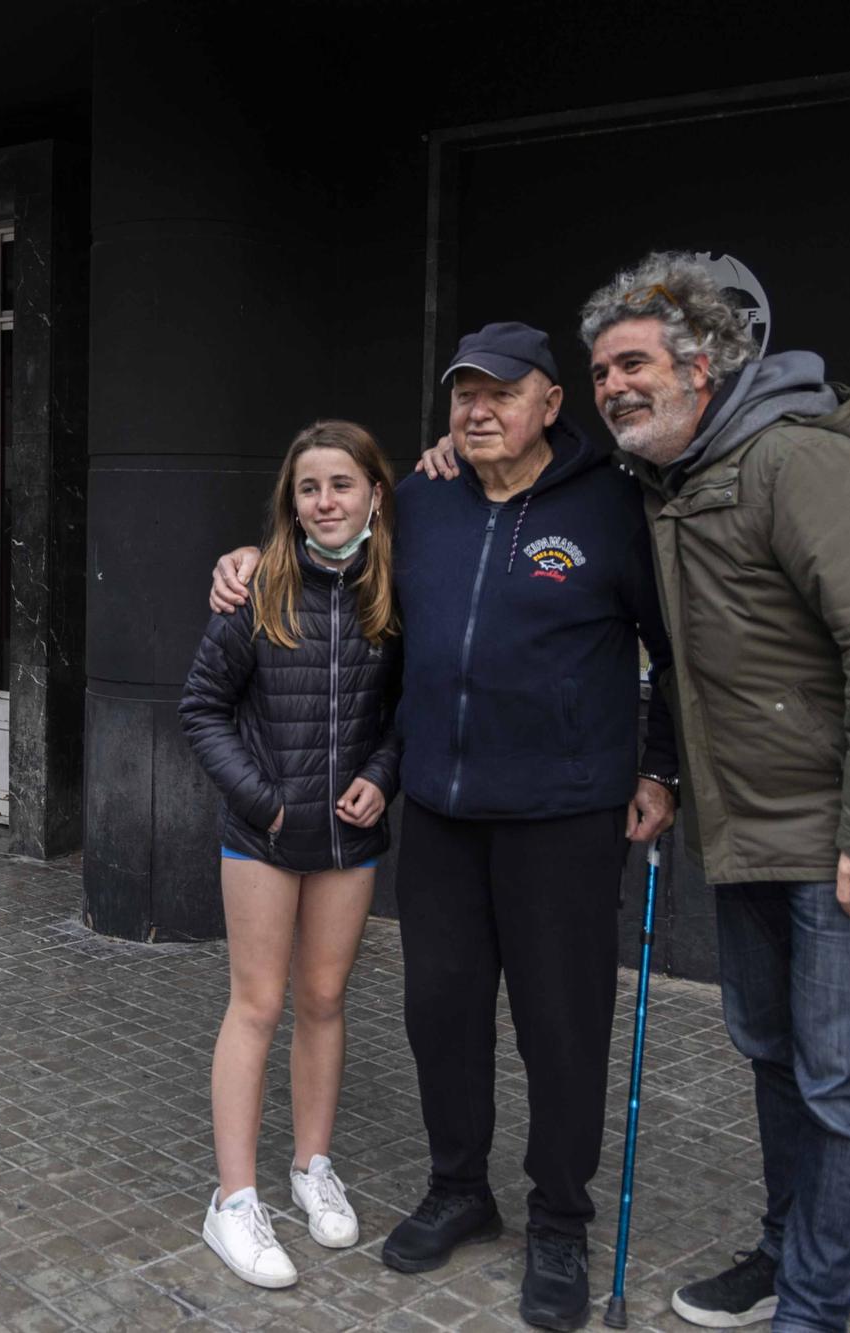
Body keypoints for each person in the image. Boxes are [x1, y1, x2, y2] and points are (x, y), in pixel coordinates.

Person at [421, 256, 850, 1332]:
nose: (612, 385)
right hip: (747, 826)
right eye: (599, 369)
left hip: (845, 834)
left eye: (633, 362)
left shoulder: (798, 462)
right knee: (773, 1061)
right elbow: (679, 660)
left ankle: (812, 1307)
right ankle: (780, 1255)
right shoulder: (663, 485)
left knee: (836, 1088)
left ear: (705, 365)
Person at [211, 325, 677, 1331]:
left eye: (499, 393)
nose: (476, 410)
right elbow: (323, 553)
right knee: (443, 1014)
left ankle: (558, 1218)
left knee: (560, 1026)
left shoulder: (611, 505)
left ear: (550, 403)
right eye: (462, 393)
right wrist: (245, 556)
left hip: (562, 812)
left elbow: (669, 645)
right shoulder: (419, 502)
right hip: (442, 813)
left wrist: (658, 766)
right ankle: (458, 1186)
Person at [178, 420, 402, 1289]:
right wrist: (262, 798)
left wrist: (383, 775)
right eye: (309, 487)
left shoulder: (392, 595)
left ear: (374, 493)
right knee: (259, 1005)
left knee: (323, 998)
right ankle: (234, 1199)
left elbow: (401, 714)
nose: (326, 500)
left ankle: (312, 1167)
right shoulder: (259, 587)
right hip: (263, 838)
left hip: (349, 838)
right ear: (291, 501)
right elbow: (200, 705)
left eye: (341, 484)